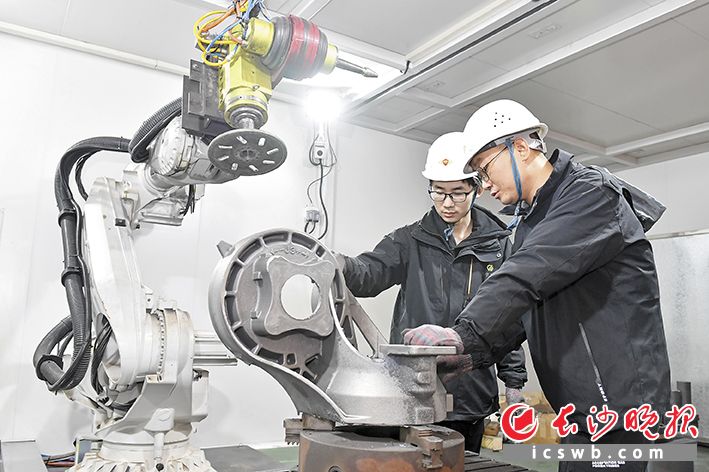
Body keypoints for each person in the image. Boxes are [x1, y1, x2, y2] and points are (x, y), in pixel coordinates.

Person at [403, 100, 671, 471]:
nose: (485, 185)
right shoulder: (533, 222)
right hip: (582, 411)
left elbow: (526, 274)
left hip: (618, 411)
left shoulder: (590, 195)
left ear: (519, 148)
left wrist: (462, 333)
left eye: (484, 169)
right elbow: (524, 310)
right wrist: (469, 354)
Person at [338, 132, 527, 453]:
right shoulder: (409, 240)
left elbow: (508, 317)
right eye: (438, 192)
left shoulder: (499, 247)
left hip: (470, 391)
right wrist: (342, 264)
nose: (447, 203)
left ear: (477, 188)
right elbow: (368, 275)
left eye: (457, 193)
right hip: (413, 388)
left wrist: (514, 382)